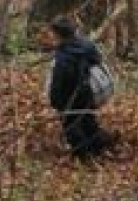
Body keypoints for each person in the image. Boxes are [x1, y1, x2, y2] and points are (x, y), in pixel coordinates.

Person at [43, 17, 114, 160]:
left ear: (57, 34)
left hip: (69, 98)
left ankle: (83, 156)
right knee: (88, 120)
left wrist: (56, 103)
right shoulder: (87, 46)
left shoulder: (63, 57)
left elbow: (57, 85)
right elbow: (97, 60)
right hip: (88, 91)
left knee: (72, 128)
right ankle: (99, 145)